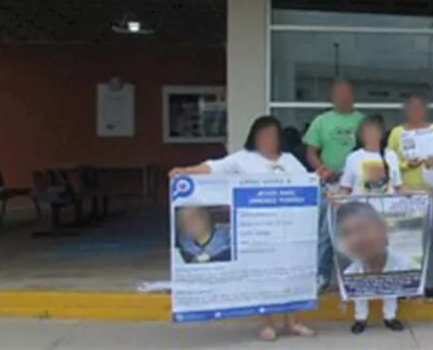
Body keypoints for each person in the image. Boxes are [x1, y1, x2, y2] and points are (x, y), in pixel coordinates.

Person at [169, 115, 315, 342]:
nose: (268, 140)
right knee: (264, 277)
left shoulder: (290, 160)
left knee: (289, 275)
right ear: (254, 137)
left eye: (272, 136)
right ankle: (266, 323)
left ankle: (292, 322)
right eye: (263, 135)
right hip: (260, 232)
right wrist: (186, 171)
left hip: (289, 231)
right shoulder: (243, 159)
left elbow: (308, 185)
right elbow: (212, 168)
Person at [336, 116, 405, 333]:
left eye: (375, 131)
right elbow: (346, 188)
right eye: (366, 131)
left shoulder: (391, 157)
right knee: (361, 267)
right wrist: (336, 200)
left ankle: (390, 314)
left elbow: (400, 188)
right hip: (360, 219)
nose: (371, 136)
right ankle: (361, 316)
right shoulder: (353, 158)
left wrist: (421, 198)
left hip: (386, 219)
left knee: (388, 267)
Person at [386, 92, 433, 299]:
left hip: (430, 193)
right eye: (411, 108)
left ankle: (428, 282)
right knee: (404, 240)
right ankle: (406, 282)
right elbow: (389, 161)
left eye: (419, 107)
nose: (415, 112)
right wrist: (406, 164)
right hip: (405, 194)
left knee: (428, 241)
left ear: (425, 110)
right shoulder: (397, 133)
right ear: (406, 110)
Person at [304, 78, 364, 289]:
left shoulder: (362, 121)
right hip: (329, 187)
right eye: (338, 94)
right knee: (325, 234)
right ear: (332, 96)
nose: (342, 97)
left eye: (346, 93)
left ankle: (352, 278)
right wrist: (322, 169)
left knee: (355, 233)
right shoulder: (321, 121)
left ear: (352, 95)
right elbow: (311, 152)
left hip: (356, 188)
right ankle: (321, 276)